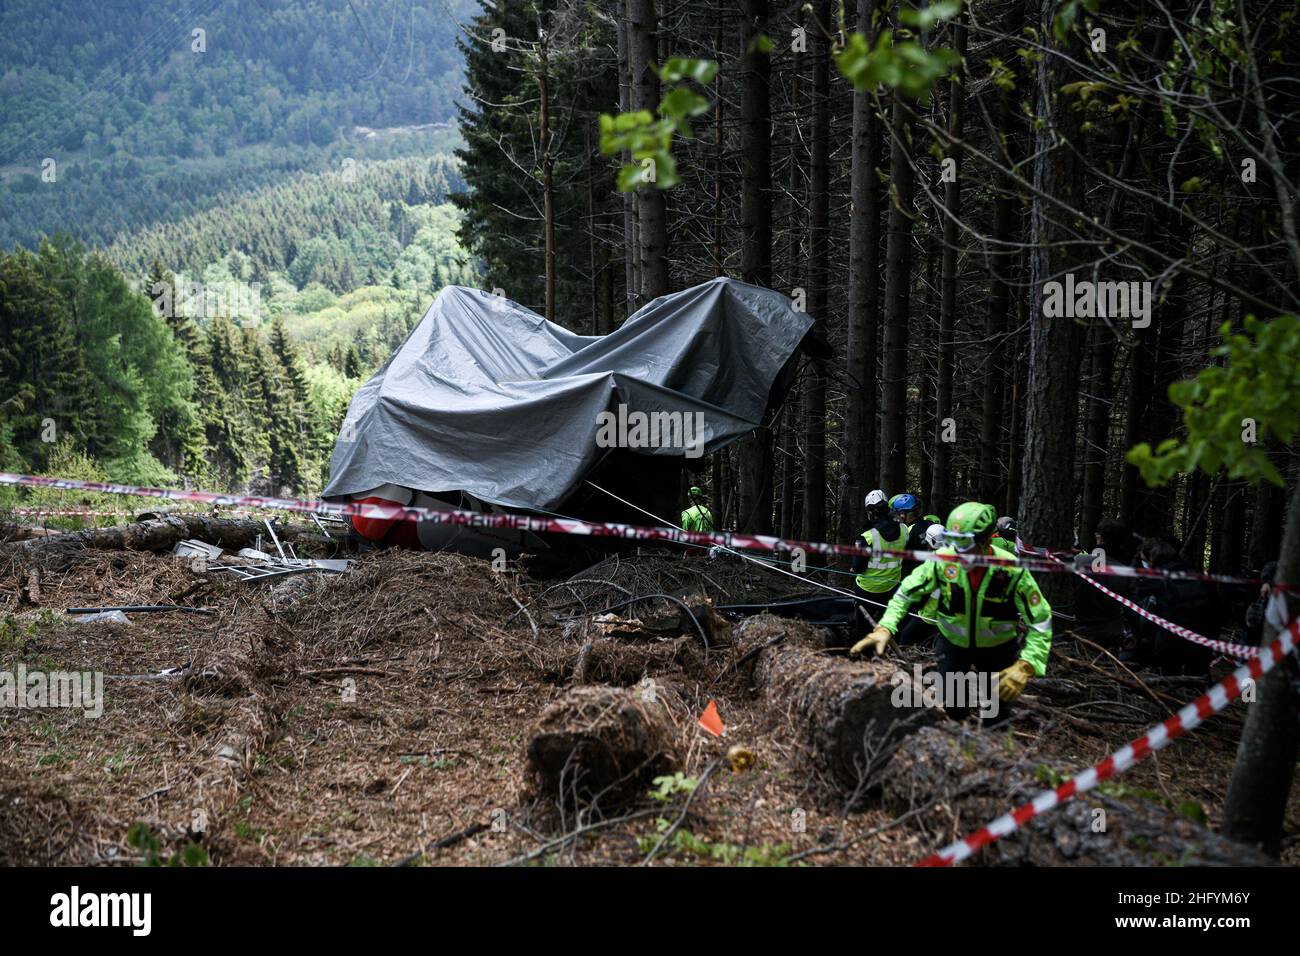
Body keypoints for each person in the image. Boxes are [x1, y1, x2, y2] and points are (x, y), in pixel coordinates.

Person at [852, 501, 1053, 722]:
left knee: (996, 715)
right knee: (954, 708)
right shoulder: (942, 561)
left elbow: (1041, 617)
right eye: (953, 541)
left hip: (998, 650)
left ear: (987, 540)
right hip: (953, 644)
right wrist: (886, 626)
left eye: (964, 543)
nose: (958, 551)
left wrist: (1029, 663)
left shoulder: (1010, 568)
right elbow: (906, 593)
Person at [1121, 537, 1215, 676]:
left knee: (1168, 678)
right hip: (1205, 639)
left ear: (1151, 559)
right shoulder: (1198, 575)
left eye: (1144, 560)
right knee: (1196, 678)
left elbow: (1136, 609)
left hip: (1171, 643)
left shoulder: (1156, 580)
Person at [848, 489, 909, 642]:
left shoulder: (867, 537)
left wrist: (854, 568)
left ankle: (860, 654)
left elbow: (859, 567)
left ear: (870, 511)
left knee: (861, 626)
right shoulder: (904, 530)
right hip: (892, 587)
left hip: (867, 589)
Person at [894, 522, 946, 647]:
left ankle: (912, 665)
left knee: (907, 637)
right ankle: (927, 664)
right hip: (948, 615)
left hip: (930, 615)